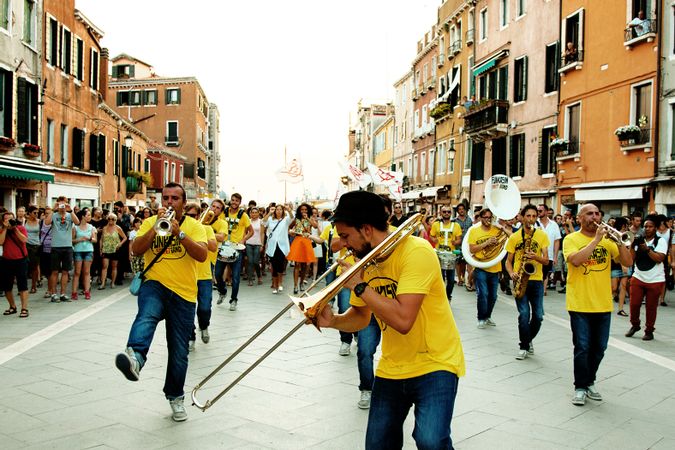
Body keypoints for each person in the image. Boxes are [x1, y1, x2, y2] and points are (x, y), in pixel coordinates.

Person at [315, 190, 465, 449]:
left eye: (346, 236)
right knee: (378, 444)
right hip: (392, 365)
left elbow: (403, 320)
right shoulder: (365, 259)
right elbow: (362, 317)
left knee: (431, 440)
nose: (343, 244)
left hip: (435, 362)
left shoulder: (416, 252)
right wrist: (334, 321)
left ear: (366, 229)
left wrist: (360, 286)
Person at [115, 182, 207, 422]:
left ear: (184, 203)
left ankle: (175, 397)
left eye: (175, 198)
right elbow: (136, 249)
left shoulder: (195, 226)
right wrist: (155, 228)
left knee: (178, 352)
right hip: (155, 284)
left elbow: (202, 254)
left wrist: (179, 234)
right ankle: (135, 357)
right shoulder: (149, 222)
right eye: (165, 197)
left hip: (185, 293)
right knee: (146, 315)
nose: (168, 202)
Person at [563, 203, 632, 406]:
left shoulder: (608, 241)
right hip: (580, 303)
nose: (594, 216)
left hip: (602, 304)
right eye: (589, 213)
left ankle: (589, 380)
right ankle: (580, 387)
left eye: (597, 213)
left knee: (599, 348)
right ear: (579, 218)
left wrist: (619, 241)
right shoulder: (571, 239)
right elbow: (576, 260)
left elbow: (627, 262)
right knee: (582, 347)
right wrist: (595, 240)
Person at [505, 205, 550, 360]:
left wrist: (535, 257)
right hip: (520, 279)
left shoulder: (542, 235)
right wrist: (512, 273)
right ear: (522, 217)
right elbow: (508, 261)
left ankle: (527, 338)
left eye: (534, 216)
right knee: (524, 314)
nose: (531, 219)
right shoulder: (514, 237)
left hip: (536, 280)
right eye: (528, 216)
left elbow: (546, 260)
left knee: (538, 316)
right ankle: (524, 346)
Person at [625, 215, 667, 341]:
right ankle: (635, 325)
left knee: (651, 307)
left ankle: (649, 330)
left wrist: (647, 249)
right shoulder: (639, 240)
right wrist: (632, 246)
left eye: (650, 226)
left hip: (655, 279)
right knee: (634, 304)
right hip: (638, 277)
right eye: (645, 226)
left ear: (656, 228)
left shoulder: (660, 241)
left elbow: (659, 259)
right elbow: (631, 260)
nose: (647, 229)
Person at [184, 203, 217, 351]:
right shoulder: (182, 229)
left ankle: (204, 325)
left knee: (205, 306)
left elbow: (213, 247)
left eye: (194, 216)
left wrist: (199, 232)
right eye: (188, 216)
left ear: (199, 216)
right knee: (188, 309)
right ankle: (190, 336)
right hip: (187, 274)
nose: (191, 218)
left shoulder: (207, 228)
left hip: (204, 275)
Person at [468, 208, 504, 328]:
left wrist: (503, 228)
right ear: (481, 218)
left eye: (490, 217)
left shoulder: (496, 230)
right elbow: (472, 249)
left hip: (494, 266)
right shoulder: (474, 231)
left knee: (493, 296)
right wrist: (486, 243)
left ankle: (488, 316)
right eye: (486, 217)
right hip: (480, 266)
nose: (488, 220)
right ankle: (481, 318)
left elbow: (510, 239)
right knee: (483, 294)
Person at [217, 193, 253, 311]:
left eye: (236, 201)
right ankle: (222, 292)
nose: (234, 202)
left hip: (236, 249)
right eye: (232, 200)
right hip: (223, 248)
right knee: (217, 274)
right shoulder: (223, 213)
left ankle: (233, 300)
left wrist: (243, 239)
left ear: (240, 202)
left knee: (236, 277)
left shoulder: (243, 215)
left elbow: (251, 231)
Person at [44, 197, 80, 303]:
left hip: (67, 246)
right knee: (54, 271)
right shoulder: (54, 215)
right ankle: (54, 294)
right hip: (56, 246)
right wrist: (53, 209)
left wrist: (70, 210)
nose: (62, 206)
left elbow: (77, 222)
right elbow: (46, 223)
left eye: (64, 204)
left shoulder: (69, 215)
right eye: (61, 204)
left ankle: (63, 293)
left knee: (65, 271)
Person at [1, 212, 30, 317]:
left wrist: (15, 229)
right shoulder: (2, 229)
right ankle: (12, 306)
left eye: (10, 219)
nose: (9, 221)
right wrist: (4, 228)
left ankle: (24, 308)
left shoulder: (20, 228)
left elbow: (24, 240)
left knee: (22, 285)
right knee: (7, 286)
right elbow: (1, 242)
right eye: (6, 219)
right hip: (7, 260)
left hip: (21, 260)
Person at [430, 206, 462, 301]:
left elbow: (459, 239)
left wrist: (456, 242)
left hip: (451, 255)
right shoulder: (436, 225)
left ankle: (448, 296)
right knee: (440, 278)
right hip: (439, 254)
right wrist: (434, 239)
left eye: (448, 211)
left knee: (451, 280)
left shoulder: (456, 225)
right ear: (441, 213)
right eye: (444, 211)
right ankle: (441, 297)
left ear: (451, 213)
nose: (446, 213)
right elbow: (431, 235)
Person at [287, 203, 318, 294]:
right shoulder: (296, 219)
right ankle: (295, 285)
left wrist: (307, 218)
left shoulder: (311, 219)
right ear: (299, 211)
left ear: (308, 210)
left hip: (306, 241)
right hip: (298, 241)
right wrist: (291, 232)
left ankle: (301, 283)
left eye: (305, 210)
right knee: (297, 264)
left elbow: (315, 226)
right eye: (302, 210)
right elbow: (289, 227)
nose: (304, 211)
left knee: (305, 265)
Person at [263, 204, 291, 293]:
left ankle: (280, 284)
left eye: (280, 209)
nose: (278, 211)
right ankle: (275, 285)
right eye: (277, 209)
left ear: (283, 211)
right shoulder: (271, 219)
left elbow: (292, 218)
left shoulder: (285, 220)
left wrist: (289, 210)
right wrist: (269, 213)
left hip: (282, 246)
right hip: (272, 245)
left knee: (280, 265)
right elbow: (263, 222)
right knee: (273, 266)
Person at [71, 208, 97, 300]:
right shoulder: (75, 227)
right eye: (88, 215)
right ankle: (74, 292)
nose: (90, 217)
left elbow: (95, 239)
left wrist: (89, 238)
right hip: (78, 250)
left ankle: (87, 291)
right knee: (77, 272)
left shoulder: (91, 227)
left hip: (88, 250)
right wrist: (79, 239)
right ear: (83, 216)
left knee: (87, 272)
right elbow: (72, 240)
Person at [536, 204, 561, 296]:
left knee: (545, 273)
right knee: (537, 272)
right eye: (537, 210)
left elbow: (557, 241)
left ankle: (543, 290)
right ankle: (539, 289)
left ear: (546, 212)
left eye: (540, 211)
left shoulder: (554, 225)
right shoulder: (535, 223)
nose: (538, 212)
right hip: (536, 254)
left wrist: (555, 256)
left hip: (549, 254)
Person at [98, 214, 127, 290]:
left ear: (115, 220)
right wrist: (100, 249)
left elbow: (125, 238)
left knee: (114, 267)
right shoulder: (104, 228)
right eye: (109, 219)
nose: (111, 221)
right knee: (104, 267)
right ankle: (103, 283)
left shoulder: (118, 228)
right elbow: (101, 239)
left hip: (115, 249)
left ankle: (113, 282)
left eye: (113, 219)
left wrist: (120, 244)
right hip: (106, 249)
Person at [610, 217, 631, 316]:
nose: (626, 227)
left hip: (624, 263)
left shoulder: (627, 235)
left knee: (623, 286)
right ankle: (609, 302)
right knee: (614, 287)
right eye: (625, 225)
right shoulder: (614, 234)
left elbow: (628, 249)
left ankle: (620, 309)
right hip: (615, 263)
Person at [454, 203, 474, 290]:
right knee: (459, 262)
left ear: (465, 210)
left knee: (469, 262)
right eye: (460, 209)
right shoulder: (454, 221)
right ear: (457, 211)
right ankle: (460, 278)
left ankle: (469, 280)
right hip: (458, 244)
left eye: (463, 209)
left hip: (468, 243)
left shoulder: (470, 220)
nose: (461, 210)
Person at [24, 205, 41, 293]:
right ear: (29, 213)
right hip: (26, 245)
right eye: (34, 213)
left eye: (37, 213)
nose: (36, 214)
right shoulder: (25, 221)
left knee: (34, 267)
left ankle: (34, 286)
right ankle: (23, 287)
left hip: (36, 246)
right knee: (25, 267)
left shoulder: (39, 222)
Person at [245, 206, 264, 286]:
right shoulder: (248, 221)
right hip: (249, 243)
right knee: (250, 261)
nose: (254, 214)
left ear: (258, 213)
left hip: (257, 244)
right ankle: (250, 279)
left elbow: (262, 234)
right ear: (250, 213)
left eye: (256, 212)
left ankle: (259, 276)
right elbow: (245, 232)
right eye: (252, 212)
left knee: (256, 262)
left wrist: (262, 244)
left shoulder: (261, 222)